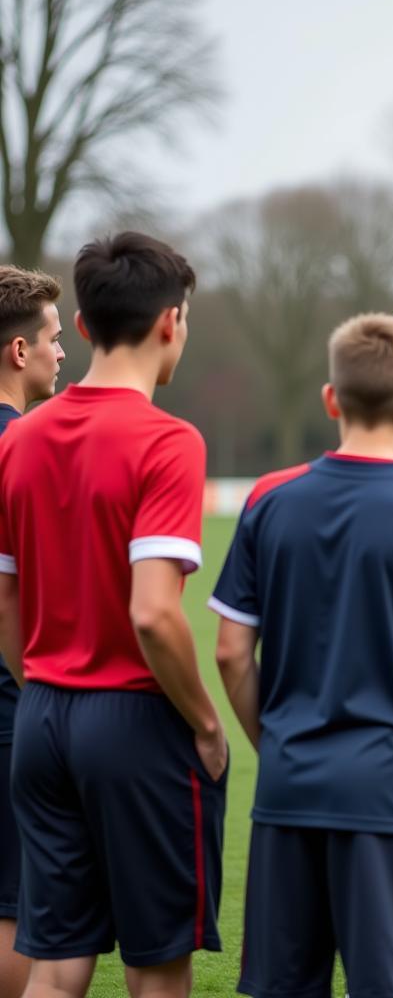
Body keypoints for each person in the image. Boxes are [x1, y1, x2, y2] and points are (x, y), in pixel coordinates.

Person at [210, 314, 393, 998]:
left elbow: (229, 654)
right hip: (391, 795)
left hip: (287, 790)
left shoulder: (268, 499)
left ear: (330, 400)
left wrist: (277, 743)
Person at [0, 232, 227, 998]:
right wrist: (203, 720)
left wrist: (37, 685)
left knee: (58, 967)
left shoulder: (20, 438)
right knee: (156, 966)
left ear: (87, 327)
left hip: (40, 721)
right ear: (171, 322)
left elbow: (4, 596)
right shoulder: (169, 442)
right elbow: (156, 615)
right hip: (132, 723)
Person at [0, 265, 65, 998]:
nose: (60, 352)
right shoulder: (24, 448)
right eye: (52, 339)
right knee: (16, 909)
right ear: (19, 352)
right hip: (13, 707)